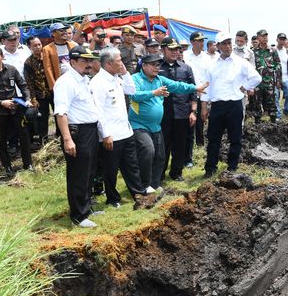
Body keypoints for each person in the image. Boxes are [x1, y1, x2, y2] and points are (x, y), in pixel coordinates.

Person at [128, 54, 207, 191]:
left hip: (156, 126)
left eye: (158, 65)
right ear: (144, 66)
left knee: (160, 156)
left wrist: (195, 88)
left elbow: (178, 86)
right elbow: (134, 95)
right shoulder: (135, 79)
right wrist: (154, 92)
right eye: (153, 64)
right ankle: (143, 185)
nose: (156, 67)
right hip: (139, 125)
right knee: (148, 151)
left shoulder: (160, 79)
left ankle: (154, 184)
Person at [89, 47, 151, 208]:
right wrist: (106, 134)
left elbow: (131, 90)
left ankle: (138, 193)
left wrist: (124, 73)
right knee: (111, 169)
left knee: (131, 165)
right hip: (111, 135)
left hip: (125, 131)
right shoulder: (98, 83)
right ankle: (113, 198)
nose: (122, 63)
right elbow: (98, 111)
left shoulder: (116, 77)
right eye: (119, 61)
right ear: (109, 64)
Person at [52, 46, 105, 228]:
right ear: (73, 62)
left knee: (89, 172)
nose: (89, 65)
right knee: (78, 174)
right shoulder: (66, 82)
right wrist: (67, 139)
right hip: (77, 132)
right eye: (84, 61)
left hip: (90, 130)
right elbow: (61, 112)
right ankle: (78, 215)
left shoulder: (83, 80)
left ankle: (86, 207)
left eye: (90, 61)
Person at [199, 32, 261, 178]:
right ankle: (210, 168)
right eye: (224, 44)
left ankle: (232, 167)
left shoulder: (241, 62)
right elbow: (206, 87)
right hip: (217, 105)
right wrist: (203, 107)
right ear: (218, 46)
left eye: (229, 43)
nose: (227, 46)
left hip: (234, 104)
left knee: (235, 138)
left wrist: (244, 86)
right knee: (213, 138)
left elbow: (256, 77)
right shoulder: (211, 65)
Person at [0, 46, 33, 174]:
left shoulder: (12, 69)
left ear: (2, 57)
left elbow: (23, 85)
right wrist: (1, 102)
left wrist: (27, 99)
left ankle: (28, 164)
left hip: (16, 108)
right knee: (2, 140)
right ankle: (7, 167)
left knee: (24, 136)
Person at [158, 38, 197, 182]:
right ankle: (159, 173)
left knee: (180, 145)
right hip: (162, 113)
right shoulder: (156, 66)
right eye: (171, 49)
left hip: (182, 112)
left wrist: (193, 111)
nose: (175, 52)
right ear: (163, 50)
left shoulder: (186, 68)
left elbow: (193, 91)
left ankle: (176, 172)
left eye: (177, 49)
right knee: (163, 145)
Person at [23, 36, 51, 144]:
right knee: (42, 118)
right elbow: (29, 81)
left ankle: (59, 135)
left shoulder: (48, 57)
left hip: (53, 91)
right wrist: (33, 98)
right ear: (29, 47)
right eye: (35, 45)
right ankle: (43, 139)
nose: (38, 47)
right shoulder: (28, 62)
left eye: (39, 44)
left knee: (59, 114)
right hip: (40, 94)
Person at [249, 29, 281, 122]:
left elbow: (278, 65)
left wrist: (278, 79)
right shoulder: (253, 52)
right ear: (258, 38)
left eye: (266, 36)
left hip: (269, 82)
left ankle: (273, 121)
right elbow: (250, 67)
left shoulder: (272, 51)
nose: (265, 37)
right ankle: (257, 122)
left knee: (272, 103)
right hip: (257, 83)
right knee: (256, 103)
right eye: (263, 36)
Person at [42, 22, 77, 90]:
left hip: (75, 81)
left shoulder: (73, 46)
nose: (65, 32)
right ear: (53, 33)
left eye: (65, 30)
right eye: (61, 30)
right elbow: (48, 69)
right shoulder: (47, 49)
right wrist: (54, 86)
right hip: (61, 84)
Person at [274, 33, 288, 119]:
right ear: (277, 40)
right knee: (276, 97)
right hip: (275, 78)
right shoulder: (273, 51)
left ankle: (286, 110)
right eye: (280, 39)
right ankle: (278, 115)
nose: (282, 41)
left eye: (284, 39)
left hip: (286, 78)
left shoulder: (287, 52)